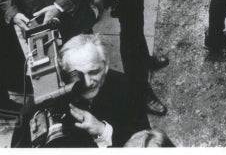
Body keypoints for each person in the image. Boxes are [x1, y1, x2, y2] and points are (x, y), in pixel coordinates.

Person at [12, 35, 150, 147]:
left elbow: (143, 142)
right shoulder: (41, 102)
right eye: (77, 76)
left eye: (94, 72)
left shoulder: (126, 87)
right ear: (63, 73)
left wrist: (103, 130)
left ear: (106, 65)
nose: (88, 83)